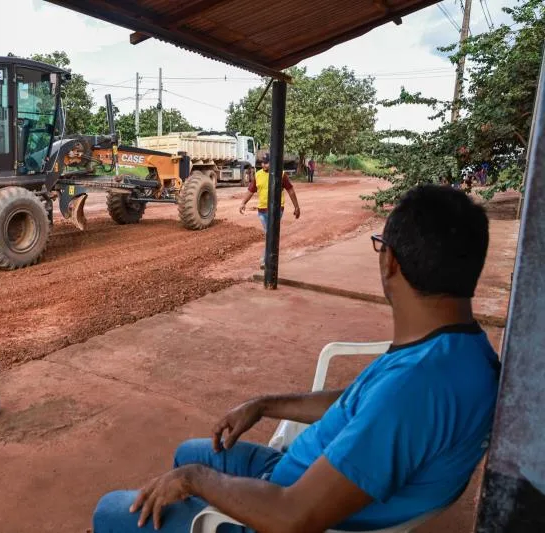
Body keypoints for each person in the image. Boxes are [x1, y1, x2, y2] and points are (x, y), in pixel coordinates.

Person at [93, 185, 499, 533]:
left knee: (111, 508)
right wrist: (265, 405)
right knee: (188, 451)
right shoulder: (458, 351)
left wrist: (196, 481)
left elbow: (293, 517)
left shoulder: (416, 389)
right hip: (300, 471)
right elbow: (358, 404)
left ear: (388, 260)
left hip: (284, 507)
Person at [239, 157, 301, 268]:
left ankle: (265, 260)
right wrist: (243, 203)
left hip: (277, 210)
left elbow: (290, 190)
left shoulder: (281, 175)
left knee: (270, 233)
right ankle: (269, 258)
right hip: (262, 211)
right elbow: (250, 191)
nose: (263, 165)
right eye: (262, 163)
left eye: (266, 163)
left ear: (272, 162)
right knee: (270, 233)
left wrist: (296, 207)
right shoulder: (258, 175)